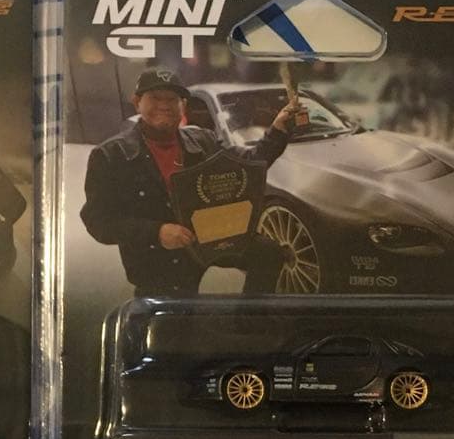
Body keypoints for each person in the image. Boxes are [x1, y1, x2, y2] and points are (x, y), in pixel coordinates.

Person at [81, 67, 300, 297]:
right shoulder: (110, 155)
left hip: (209, 237)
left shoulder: (202, 140)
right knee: (173, 315)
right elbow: (97, 221)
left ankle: (249, 316)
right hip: (157, 257)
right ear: (137, 102)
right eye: (155, 98)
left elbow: (248, 163)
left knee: (268, 253)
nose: (164, 105)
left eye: (172, 99)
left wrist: (278, 130)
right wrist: (156, 233)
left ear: (183, 105)